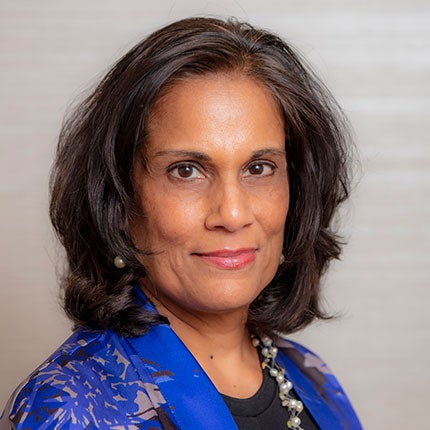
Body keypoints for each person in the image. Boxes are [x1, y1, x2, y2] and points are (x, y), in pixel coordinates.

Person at [0, 17, 362, 429]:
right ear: (119, 200)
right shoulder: (73, 407)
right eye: (186, 171)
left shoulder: (310, 377)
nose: (233, 214)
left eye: (259, 168)